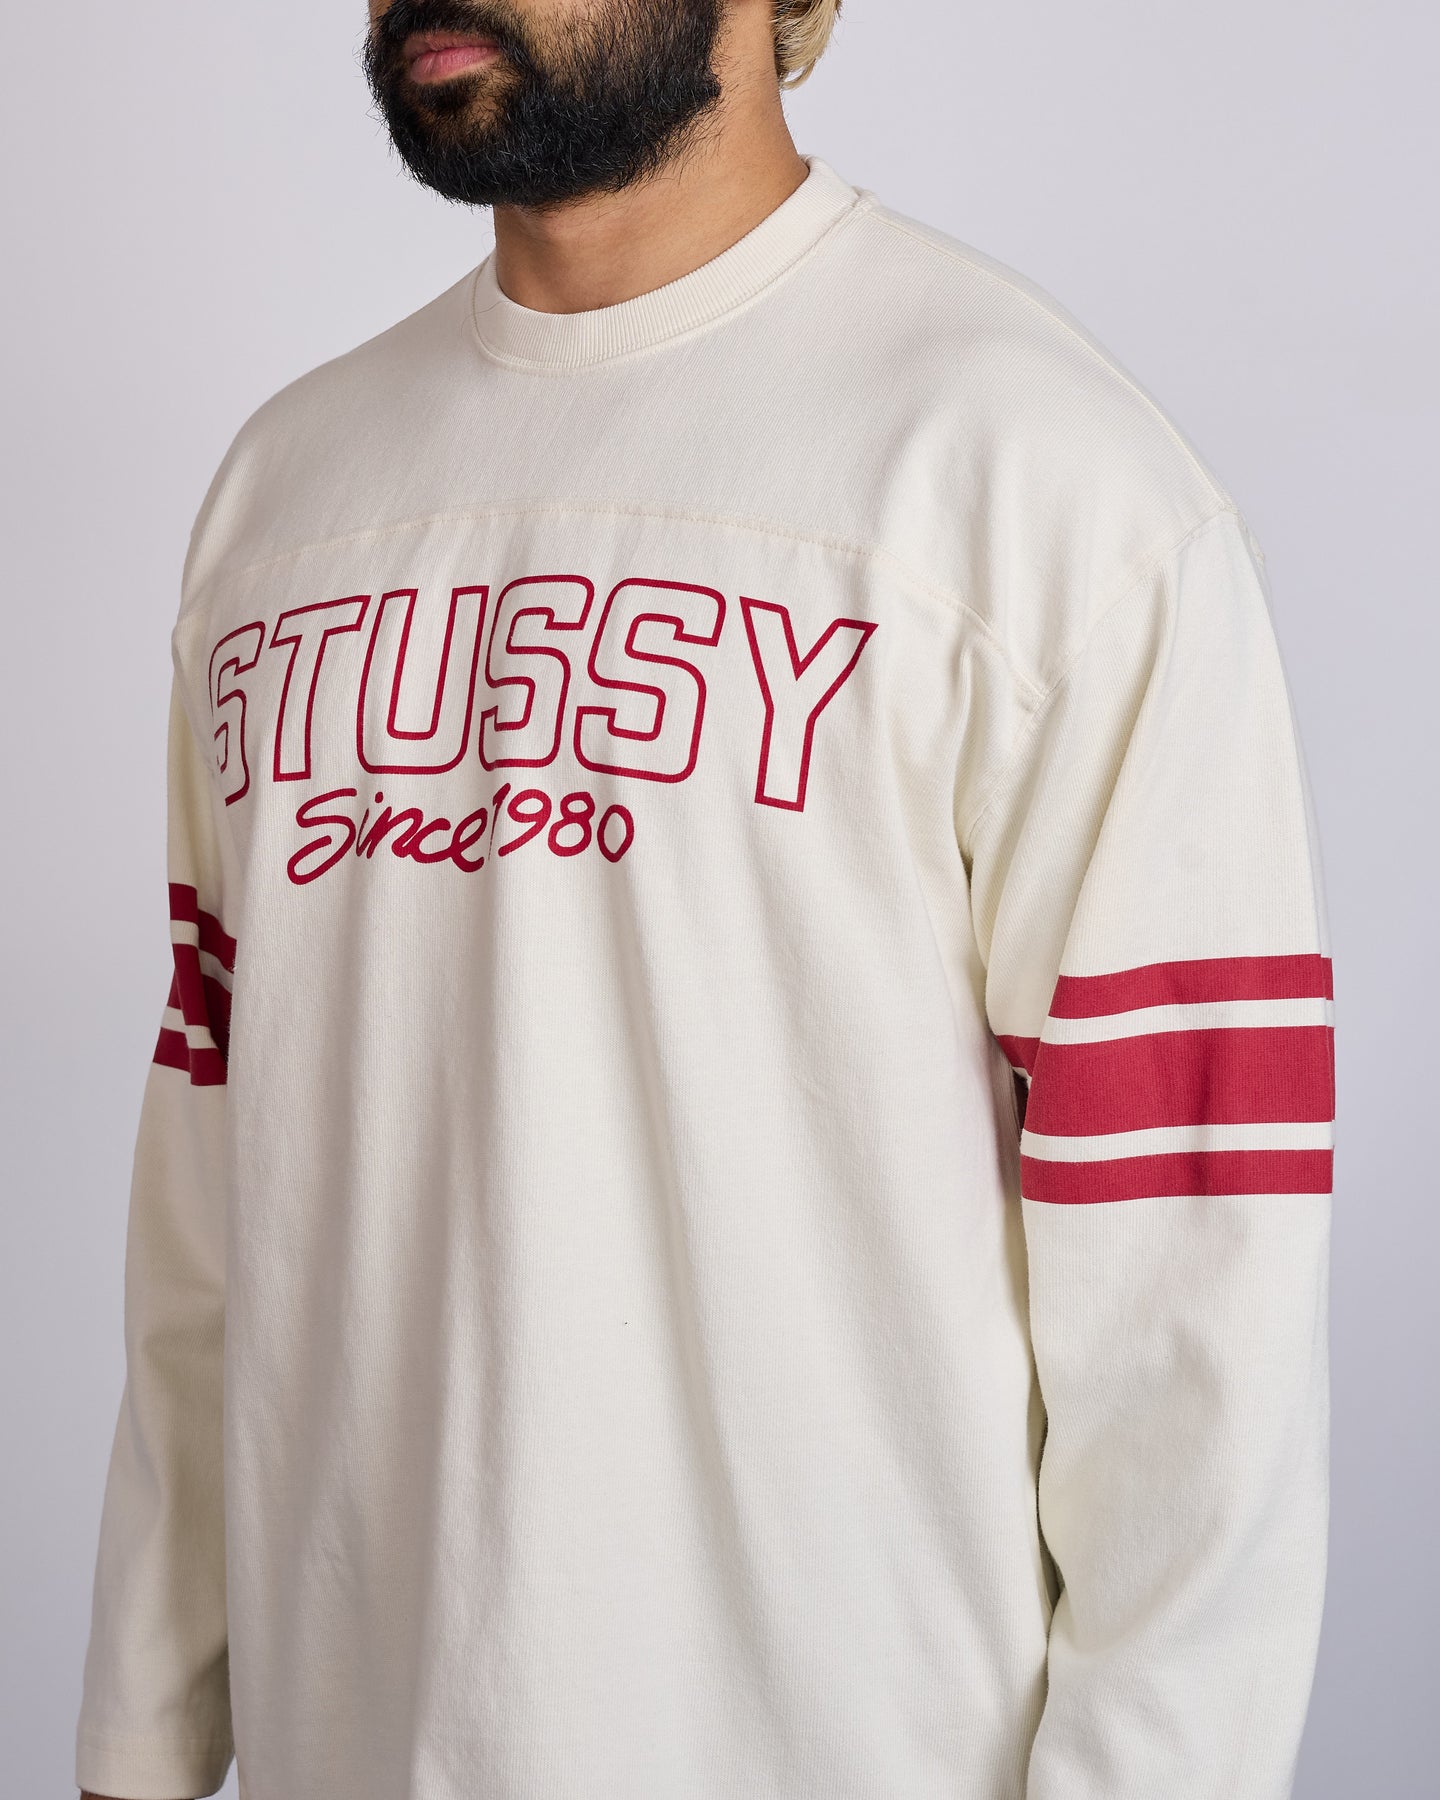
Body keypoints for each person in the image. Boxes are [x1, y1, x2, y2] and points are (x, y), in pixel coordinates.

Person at [75, 3, 1335, 1797]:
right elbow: (212, 1188)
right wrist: (141, 1730)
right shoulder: (287, 498)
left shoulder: (1045, 486)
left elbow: (1197, 1294)